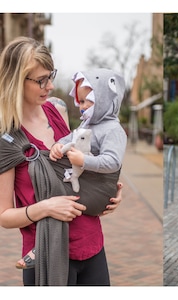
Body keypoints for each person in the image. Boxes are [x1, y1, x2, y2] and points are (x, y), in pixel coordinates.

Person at [0, 36, 123, 286]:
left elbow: (75, 169)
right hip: (46, 254)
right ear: (16, 81)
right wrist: (46, 207)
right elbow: (4, 216)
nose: (51, 86)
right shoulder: (7, 136)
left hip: (92, 245)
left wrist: (105, 194)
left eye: (51, 76)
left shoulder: (57, 112)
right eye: (41, 80)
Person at [16, 68, 128, 270]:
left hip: (94, 202)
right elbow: (70, 139)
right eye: (81, 102)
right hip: (83, 196)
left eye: (87, 101)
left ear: (104, 100)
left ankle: (41, 247)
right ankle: (41, 246)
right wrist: (59, 145)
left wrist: (83, 160)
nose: (82, 107)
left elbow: (113, 162)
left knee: (56, 187)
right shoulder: (89, 125)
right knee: (55, 193)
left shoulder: (113, 130)